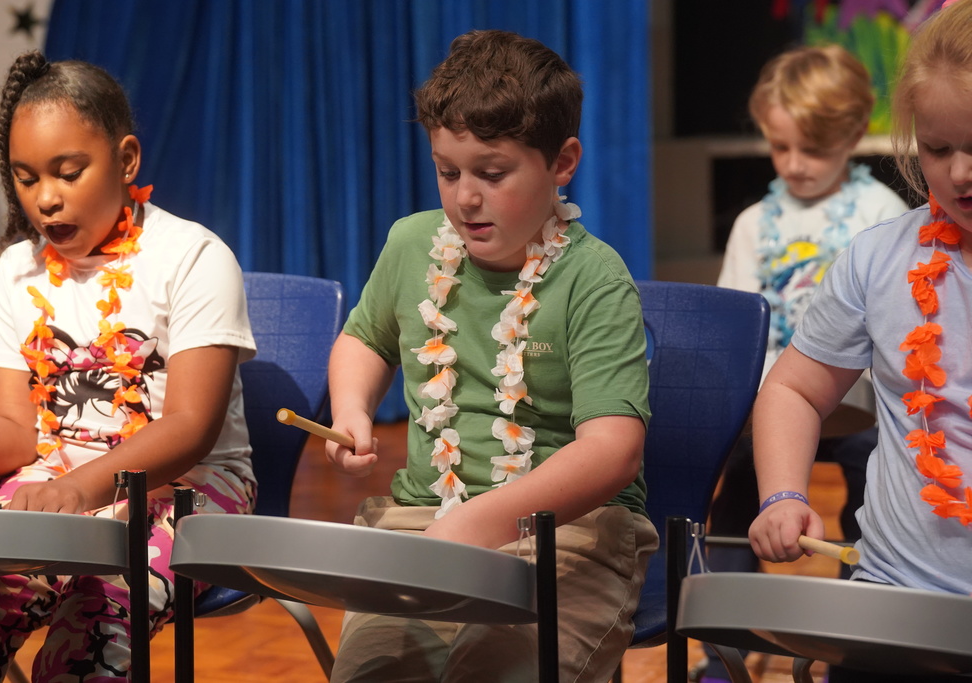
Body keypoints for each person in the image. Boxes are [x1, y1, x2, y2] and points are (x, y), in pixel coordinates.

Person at [323, 29, 658, 683]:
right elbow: (363, 338)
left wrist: (482, 521)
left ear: (563, 162)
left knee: (493, 670)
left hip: (574, 536)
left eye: (491, 173)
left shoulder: (594, 277)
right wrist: (351, 406)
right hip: (422, 518)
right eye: (448, 171)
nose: (464, 197)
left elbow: (614, 448)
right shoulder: (412, 243)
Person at [0, 51, 257, 681]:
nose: (46, 199)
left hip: (189, 485)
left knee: (92, 632)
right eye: (27, 178)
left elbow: (192, 427)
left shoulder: (193, 257)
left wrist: (83, 490)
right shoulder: (18, 269)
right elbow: (14, 432)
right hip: (54, 476)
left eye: (69, 172)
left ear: (126, 160)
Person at [749, 2, 972, 681]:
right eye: (938, 149)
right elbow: (791, 388)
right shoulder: (878, 260)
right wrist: (783, 493)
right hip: (896, 608)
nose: (961, 173)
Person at [701, 44, 909, 683]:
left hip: (861, 404)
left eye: (813, 151)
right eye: (780, 147)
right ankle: (722, 645)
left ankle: (850, 637)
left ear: (852, 137)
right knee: (730, 512)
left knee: (871, 506)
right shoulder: (753, 223)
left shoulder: (882, 215)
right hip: (768, 403)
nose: (794, 165)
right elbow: (731, 322)